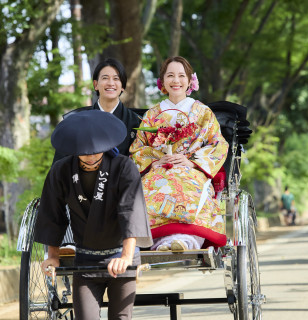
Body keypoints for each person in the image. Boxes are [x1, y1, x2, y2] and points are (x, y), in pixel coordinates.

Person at [34, 110, 153, 320]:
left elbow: (130, 211)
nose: (90, 154)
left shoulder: (123, 166)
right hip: (86, 259)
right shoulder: (61, 171)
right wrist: (53, 256)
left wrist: (125, 257)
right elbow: (52, 212)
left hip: (120, 258)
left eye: (96, 149)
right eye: (84, 150)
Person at [130, 56, 229, 251]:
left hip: (191, 169)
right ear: (163, 81)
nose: (176, 81)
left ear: (190, 80)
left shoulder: (202, 112)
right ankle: (161, 242)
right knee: (150, 189)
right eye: (170, 76)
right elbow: (138, 148)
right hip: (160, 169)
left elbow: (218, 144)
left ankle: (186, 240)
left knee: (188, 190)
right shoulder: (152, 114)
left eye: (181, 75)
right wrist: (155, 162)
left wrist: (190, 161)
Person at [53, 58, 140, 163]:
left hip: (124, 178)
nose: (111, 83)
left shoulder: (137, 122)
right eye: (105, 78)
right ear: (95, 85)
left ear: (122, 86)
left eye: (116, 79)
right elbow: (59, 166)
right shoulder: (76, 121)